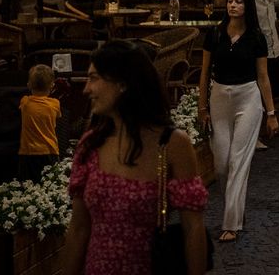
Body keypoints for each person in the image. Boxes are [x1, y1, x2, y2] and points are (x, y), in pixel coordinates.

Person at [63, 40, 207, 275]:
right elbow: (79, 228)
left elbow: (193, 227)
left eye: (94, 78)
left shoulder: (172, 144)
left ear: (122, 83)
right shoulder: (90, 144)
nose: (86, 89)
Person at [198, 0, 278, 242]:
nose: (233, 5)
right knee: (221, 164)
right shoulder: (215, 35)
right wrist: (202, 107)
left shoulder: (256, 37)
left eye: (238, 2)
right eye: (230, 1)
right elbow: (203, 73)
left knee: (238, 160)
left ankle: (231, 222)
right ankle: (235, 210)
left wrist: (272, 112)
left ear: (247, 7)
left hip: (248, 98)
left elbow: (263, 77)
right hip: (219, 97)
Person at [18, 64, 61, 182]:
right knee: (50, 185)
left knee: (27, 185)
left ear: (29, 85)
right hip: (50, 150)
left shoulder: (25, 102)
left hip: (28, 152)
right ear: (52, 85)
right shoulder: (55, 104)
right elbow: (58, 117)